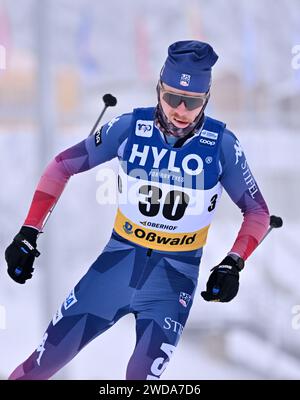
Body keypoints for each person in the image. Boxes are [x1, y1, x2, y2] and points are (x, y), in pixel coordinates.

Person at [5, 40, 270, 380]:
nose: (179, 109)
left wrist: (233, 262)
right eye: (171, 96)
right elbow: (61, 166)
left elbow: (257, 212)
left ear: (206, 99)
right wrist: (29, 231)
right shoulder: (130, 127)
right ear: (158, 89)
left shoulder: (222, 145)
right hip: (116, 267)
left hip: (172, 282)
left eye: (191, 102)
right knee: (38, 368)